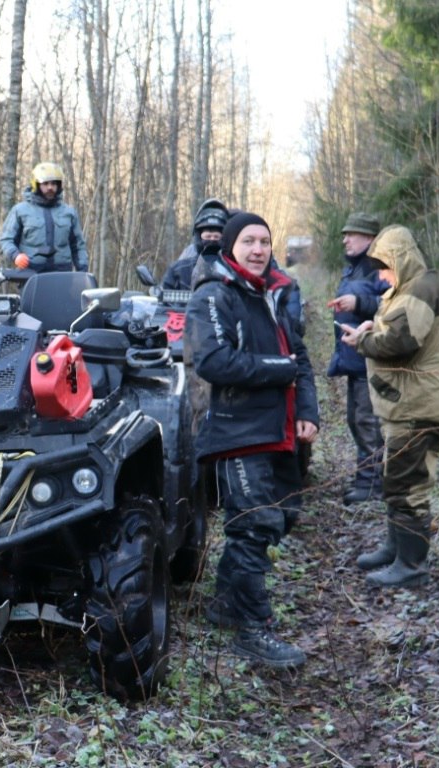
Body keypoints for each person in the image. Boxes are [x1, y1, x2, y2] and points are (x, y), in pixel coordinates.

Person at [185, 211, 320, 669]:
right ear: (229, 247)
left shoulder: (271, 293)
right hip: (236, 431)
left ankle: (225, 604)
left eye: (264, 241)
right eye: (248, 241)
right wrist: (278, 372)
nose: (258, 249)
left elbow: (298, 356)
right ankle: (253, 630)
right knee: (254, 526)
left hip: (278, 430)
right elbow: (215, 361)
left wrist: (307, 412)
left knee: (275, 519)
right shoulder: (213, 295)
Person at [339, 225, 439, 588]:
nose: (382, 276)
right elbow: (397, 325)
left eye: (384, 267)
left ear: (400, 259)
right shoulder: (408, 288)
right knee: (397, 479)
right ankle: (396, 549)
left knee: (409, 486)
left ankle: (412, 567)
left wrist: (363, 340)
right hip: (406, 405)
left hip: (417, 407)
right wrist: (375, 324)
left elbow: (403, 339)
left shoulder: (421, 288)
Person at [327, 213, 389, 504]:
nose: (345, 239)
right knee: (356, 419)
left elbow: (396, 306)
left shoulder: (381, 268)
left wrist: (360, 302)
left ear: (370, 239)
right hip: (355, 359)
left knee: (367, 422)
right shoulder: (352, 270)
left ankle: (373, 485)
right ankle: (366, 477)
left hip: (372, 359)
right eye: (345, 234)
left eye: (352, 234)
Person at [0, 162, 89, 273]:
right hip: (30, 273)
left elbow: (78, 246)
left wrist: (83, 271)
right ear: (36, 184)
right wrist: (15, 256)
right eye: (45, 184)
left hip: (62, 274)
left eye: (53, 184)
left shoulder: (69, 213)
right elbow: (6, 240)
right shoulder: (20, 210)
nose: (50, 187)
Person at [162, 198, 228, 290]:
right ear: (198, 237)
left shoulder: (234, 270)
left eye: (216, 237)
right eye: (208, 237)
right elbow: (164, 299)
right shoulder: (179, 269)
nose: (212, 240)